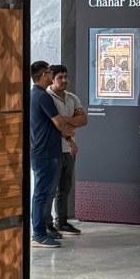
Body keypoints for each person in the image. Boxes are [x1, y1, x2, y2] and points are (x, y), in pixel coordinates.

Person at [27, 59, 75, 248]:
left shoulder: (35, 95)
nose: (51, 74)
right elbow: (59, 122)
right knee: (42, 194)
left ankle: (42, 231)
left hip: (43, 152)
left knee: (45, 193)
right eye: (49, 72)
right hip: (44, 153)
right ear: (43, 76)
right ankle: (38, 234)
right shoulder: (42, 96)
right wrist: (69, 132)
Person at [47, 64, 88, 234]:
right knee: (50, 189)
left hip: (69, 151)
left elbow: (83, 119)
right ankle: (46, 224)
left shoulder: (71, 98)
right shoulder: (47, 98)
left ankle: (61, 222)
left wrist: (64, 120)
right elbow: (54, 124)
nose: (64, 80)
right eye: (60, 77)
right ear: (52, 78)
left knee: (65, 188)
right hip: (54, 149)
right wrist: (69, 123)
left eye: (65, 76)